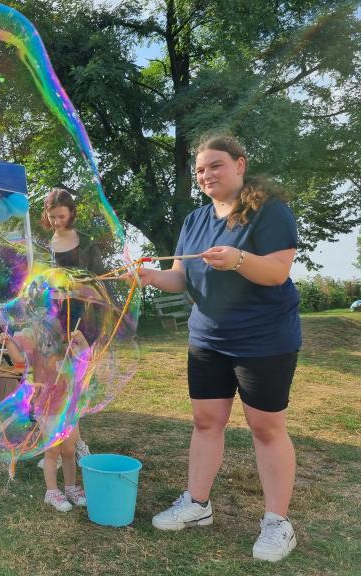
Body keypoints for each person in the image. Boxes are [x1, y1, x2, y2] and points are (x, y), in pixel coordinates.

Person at [139, 133, 301, 562]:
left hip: (263, 339)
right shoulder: (193, 221)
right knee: (205, 421)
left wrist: (239, 260)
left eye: (215, 165)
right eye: (200, 170)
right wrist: (149, 277)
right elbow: (181, 277)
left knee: (266, 428)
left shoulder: (270, 212)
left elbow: (278, 273)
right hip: (208, 338)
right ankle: (197, 504)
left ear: (239, 165)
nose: (206, 174)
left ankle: (276, 523)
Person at [39, 187, 102, 467]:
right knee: (57, 383)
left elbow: (99, 281)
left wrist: (79, 287)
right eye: (52, 217)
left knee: (76, 383)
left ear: (71, 213)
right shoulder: (45, 245)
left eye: (61, 216)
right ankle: (56, 445)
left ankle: (77, 444)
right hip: (55, 319)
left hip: (84, 317)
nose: (56, 222)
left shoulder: (86, 243)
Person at [0, 321, 90, 512]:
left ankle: (71, 487)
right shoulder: (36, 357)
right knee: (52, 452)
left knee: (69, 451)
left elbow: (86, 357)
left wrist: (81, 341)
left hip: (67, 411)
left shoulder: (67, 353)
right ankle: (52, 491)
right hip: (47, 412)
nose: (47, 342)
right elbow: (16, 357)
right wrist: (8, 342)